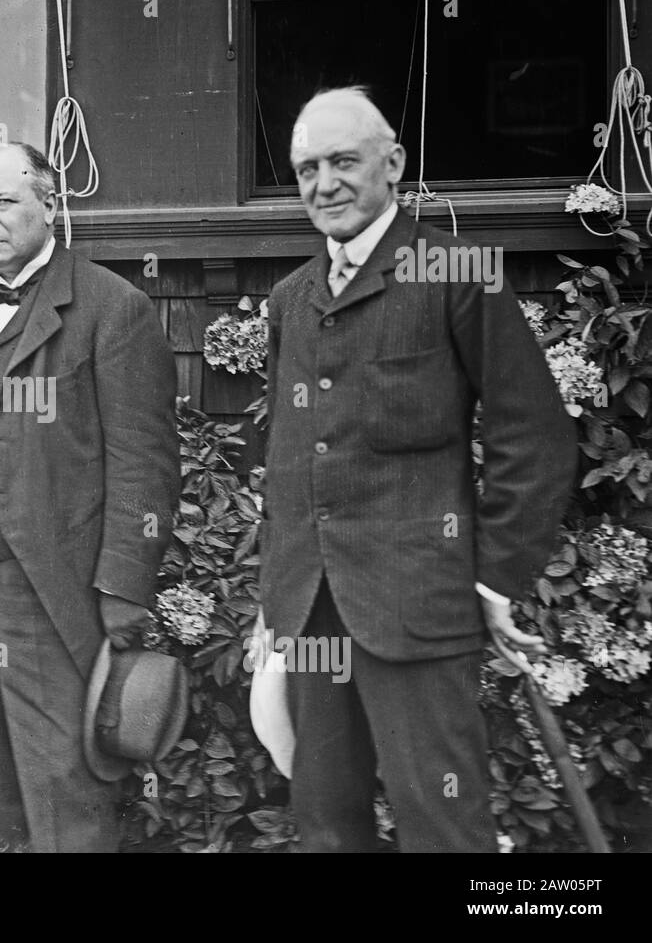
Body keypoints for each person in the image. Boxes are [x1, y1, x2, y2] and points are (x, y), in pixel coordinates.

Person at [260, 87, 575, 851]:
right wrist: (273, 597)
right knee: (327, 826)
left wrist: (495, 577)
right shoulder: (291, 299)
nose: (324, 184)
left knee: (443, 828)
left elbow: (532, 433)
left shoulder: (455, 271)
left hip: (419, 612)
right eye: (307, 168)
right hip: (311, 613)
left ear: (393, 163)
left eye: (343, 161)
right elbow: (289, 456)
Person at [0, 141, 178, 852]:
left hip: (54, 580)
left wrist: (121, 588)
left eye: (3, 201)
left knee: (63, 775)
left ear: (51, 205)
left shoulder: (115, 308)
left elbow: (145, 463)